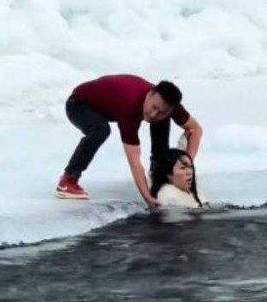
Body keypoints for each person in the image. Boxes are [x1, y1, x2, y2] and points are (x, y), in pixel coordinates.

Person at [56, 75, 204, 207]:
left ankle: (159, 173)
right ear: (150, 94)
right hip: (78, 104)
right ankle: (68, 179)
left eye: (161, 111)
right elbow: (134, 161)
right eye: (153, 107)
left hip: (109, 103)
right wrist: (148, 197)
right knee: (101, 130)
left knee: (162, 120)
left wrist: (186, 164)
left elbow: (195, 129)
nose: (153, 114)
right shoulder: (129, 106)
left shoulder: (167, 106)